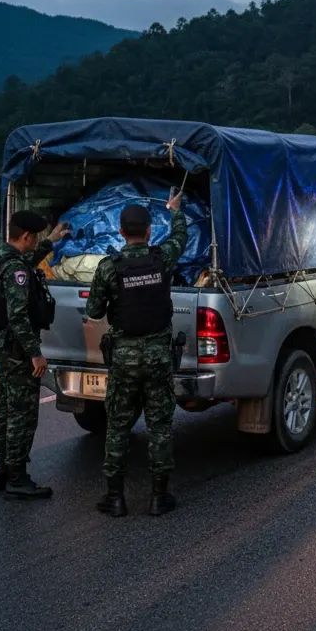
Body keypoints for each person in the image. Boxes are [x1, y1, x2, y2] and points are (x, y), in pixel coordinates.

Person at [86, 192, 187, 518]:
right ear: (147, 230)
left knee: (117, 426)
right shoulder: (163, 258)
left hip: (125, 357)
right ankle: (159, 497)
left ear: (120, 230)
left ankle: (115, 498)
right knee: (159, 426)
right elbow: (180, 238)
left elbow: (95, 310)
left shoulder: (108, 268)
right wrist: (175, 211)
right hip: (158, 356)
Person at [0, 210, 69, 498]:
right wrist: (35, 353)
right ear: (26, 236)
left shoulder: (0, 258)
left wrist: (51, 241)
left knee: (7, 409)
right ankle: (17, 478)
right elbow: (18, 315)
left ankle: (2, 472)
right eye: (35, 239)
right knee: (23, 413)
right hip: (17, 348)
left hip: (2, 344)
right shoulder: (15, 270)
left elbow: (26, 263)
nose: (36, 243)